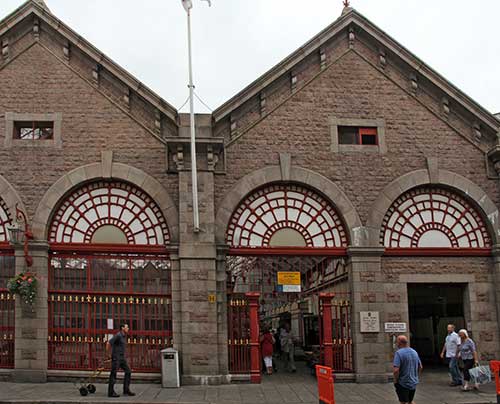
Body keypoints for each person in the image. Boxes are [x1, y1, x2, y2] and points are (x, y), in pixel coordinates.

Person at [106, 323, 135, 398]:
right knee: (113, 374)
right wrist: (108, 355)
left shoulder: (123, 336)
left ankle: (126, 390)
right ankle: (111, 392)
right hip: (116, 358)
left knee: (128, 371)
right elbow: (108, 343)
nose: (128, 328)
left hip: (122, 358)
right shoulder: (118, 335)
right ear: (122, 328)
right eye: (127, 327)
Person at [393, 335, 423, 404]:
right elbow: (420, 367)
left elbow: (396, 370)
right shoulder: (414, 352)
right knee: (410, 401)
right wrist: (416, 377)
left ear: (399, 343)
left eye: (396, 342)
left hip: (403, 382)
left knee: (403, 402)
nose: (396, 343)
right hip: (413, 382)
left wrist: (396, 380)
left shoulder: (399, 353)